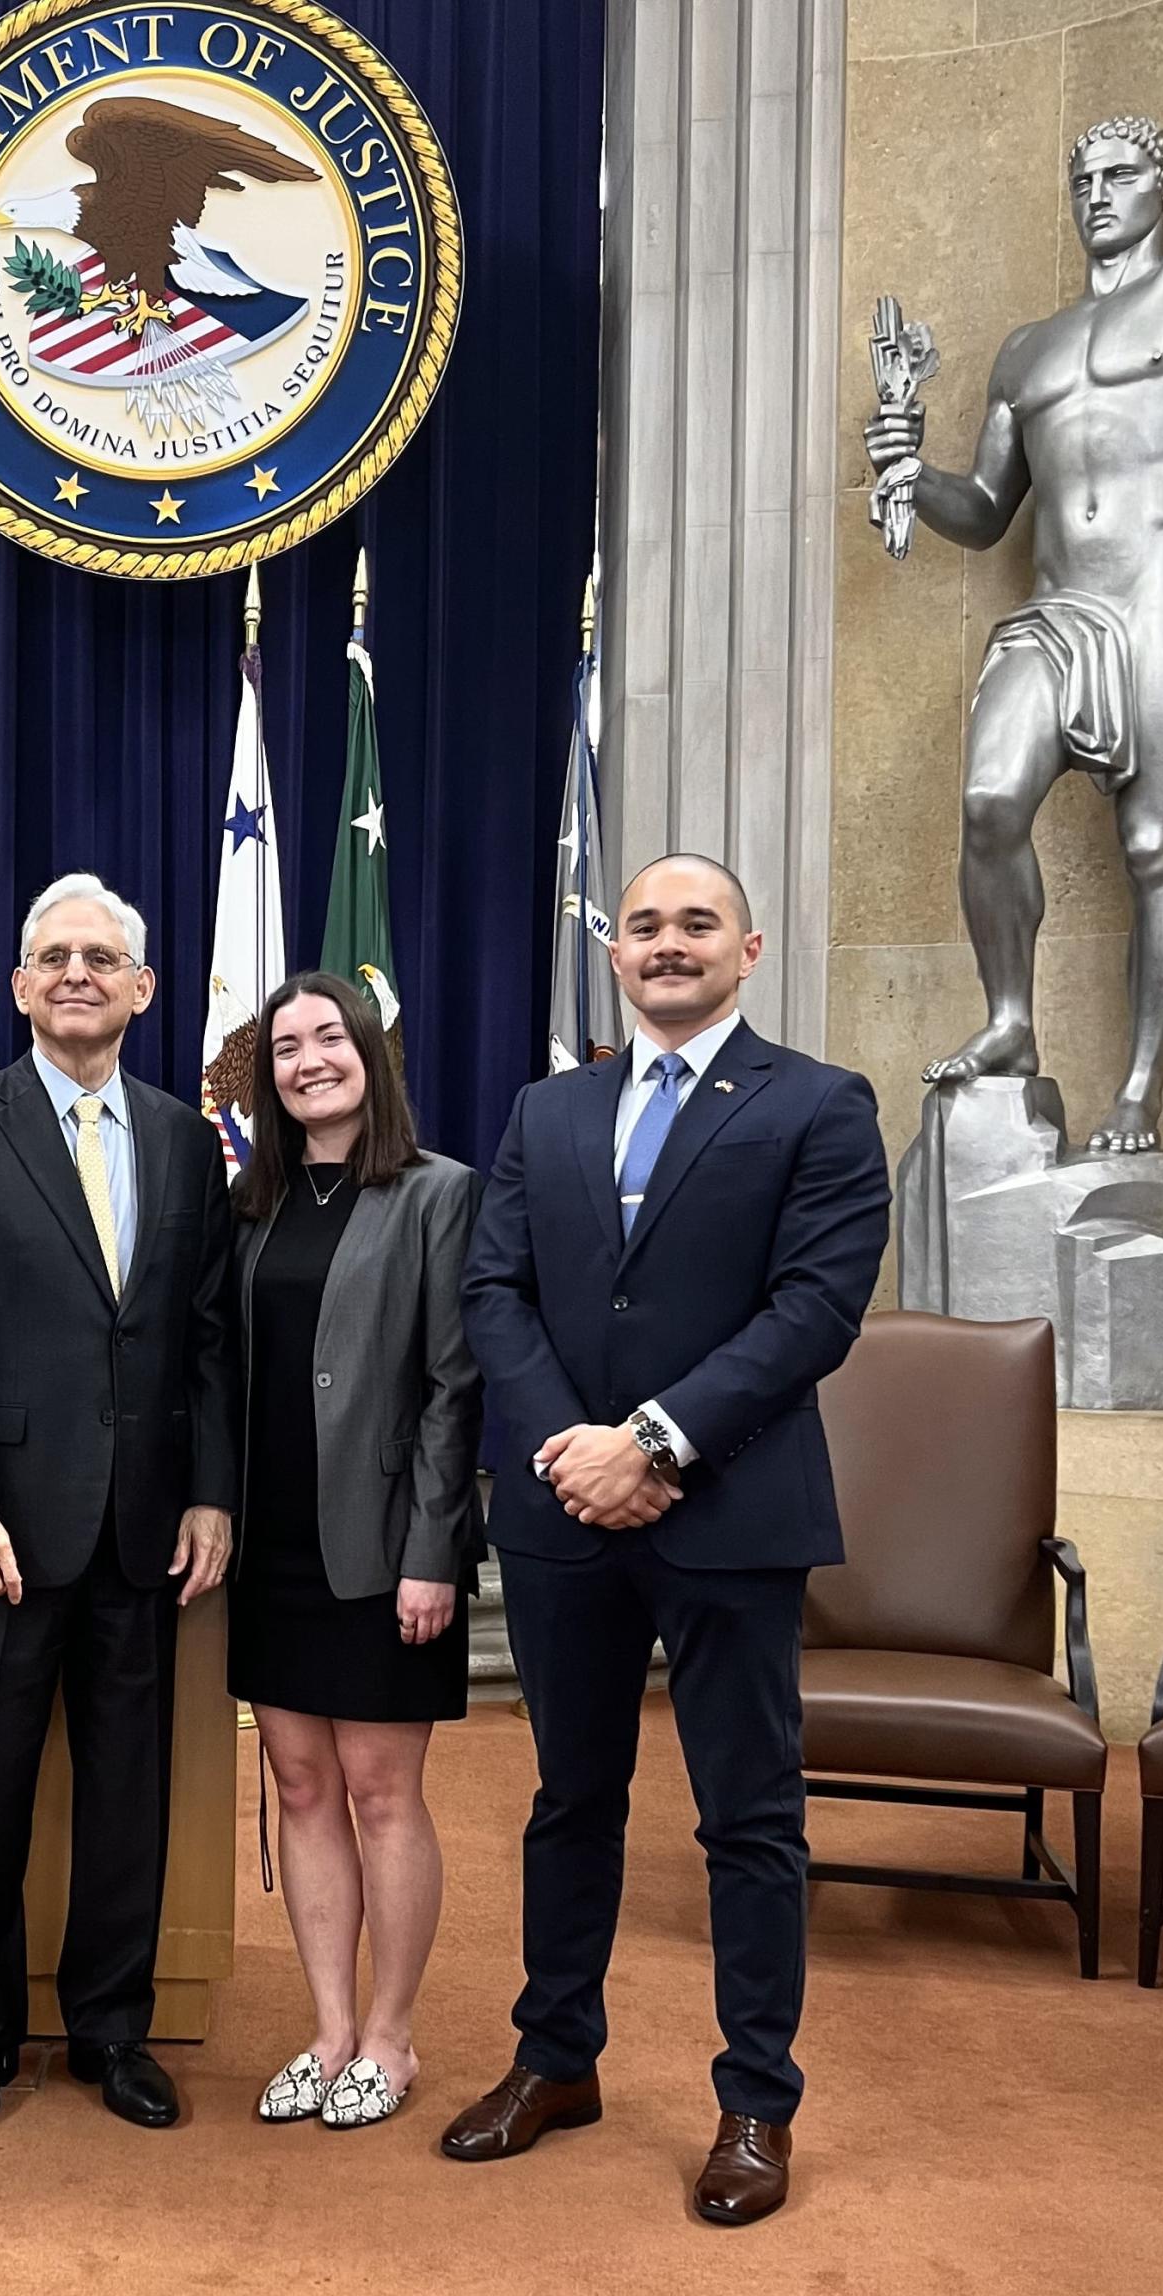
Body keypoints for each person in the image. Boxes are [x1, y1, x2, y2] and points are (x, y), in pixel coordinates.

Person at [449, 857, 889, 2224]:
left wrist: (652, 1442)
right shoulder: (547, 1107)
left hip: (732, 1514)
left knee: (748, 1819)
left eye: (697, 923)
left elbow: (813, 1313)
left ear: (748, 948)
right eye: (644, 925)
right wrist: (578, 1457)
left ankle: (757, 2100)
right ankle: (554, 2060)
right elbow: (494, 1289)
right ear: (615, 950)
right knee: (569, 1801)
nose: (668, 944)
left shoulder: (818, 1105)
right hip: (563, 1518)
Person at [862, 0, 1163, 1152]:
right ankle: (1009, 1024)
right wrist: (910, 466)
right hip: (1057, 604)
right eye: (1080, 174)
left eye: (1122, 171)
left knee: (1151, 848)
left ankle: (1138, 1091)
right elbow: (986, 511)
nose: (1096, 190)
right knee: (988, 803)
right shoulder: (1026, 350)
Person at [0, 875, 236, 2134]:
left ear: (143, 990)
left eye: (103, 955)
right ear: (21, 986)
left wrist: (211, 1492)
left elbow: (203, 1335)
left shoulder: (184, 1136)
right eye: (53, 955)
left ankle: (111, 2028)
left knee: (127, 1791)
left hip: (142, 1525)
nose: (77, 972)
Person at [231, 975, 482, 2132]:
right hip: (269, 1542)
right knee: (298, 1784)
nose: (307, 1060)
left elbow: (452, 1386)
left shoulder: (437, 1194)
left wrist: (434, 1549)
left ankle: (390, 2034)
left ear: (369, 1054)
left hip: (384, 1549)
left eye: (328, 1036)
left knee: (382, 1790)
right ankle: (327, 2026)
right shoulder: (251, 1203)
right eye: (283, 1046)